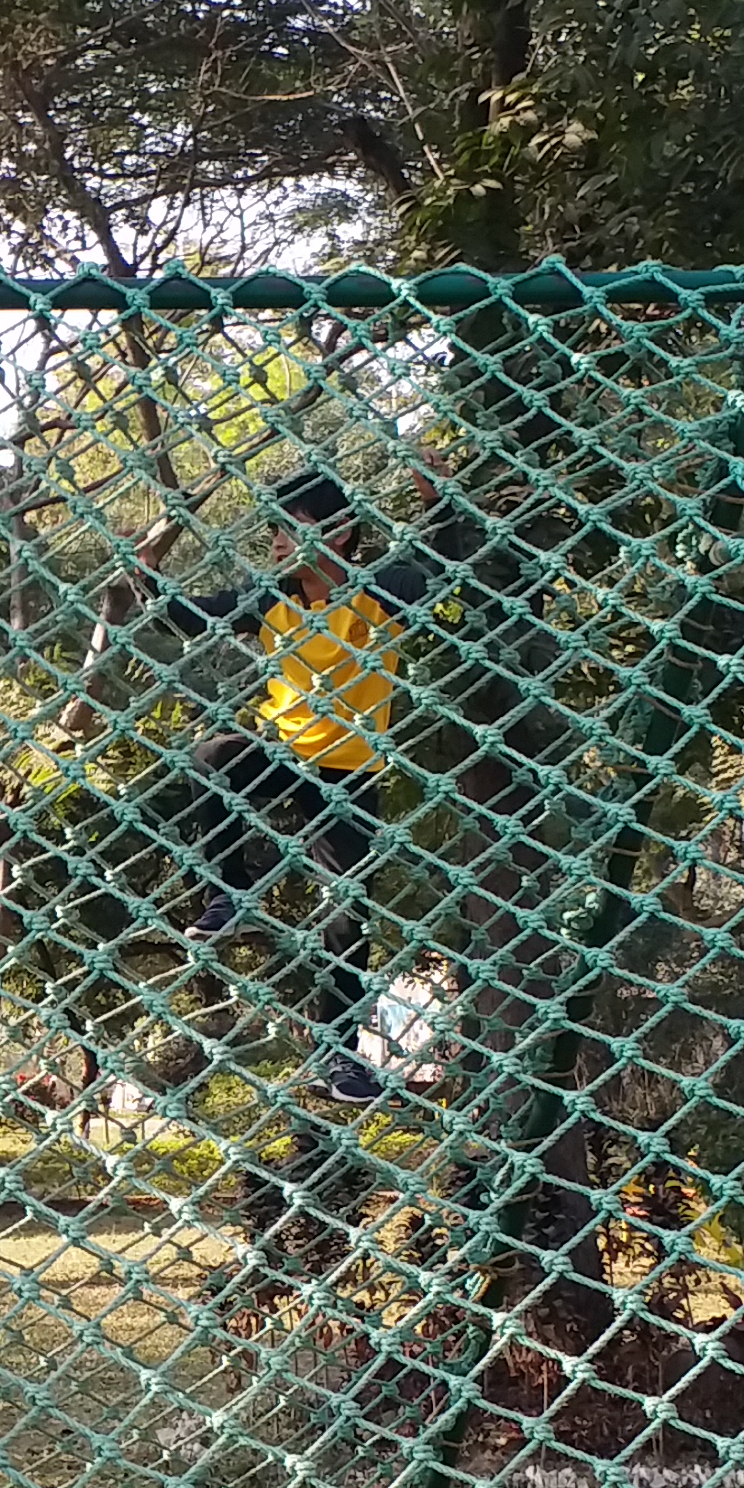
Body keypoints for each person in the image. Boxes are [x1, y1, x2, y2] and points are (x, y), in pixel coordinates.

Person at [147, 470, 420, 1106]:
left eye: (293, 531)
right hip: (284, 752)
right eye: (275, 531)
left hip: (349, 773)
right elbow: (192, 616)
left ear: (340, 534)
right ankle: (229, 893)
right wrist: (147, 570)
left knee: (348, 918)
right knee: (214, 755)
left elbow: (447, 563)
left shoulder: (382, 590)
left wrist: (437, 503)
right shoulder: (271, 595)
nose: (276, 544)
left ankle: (339, 1057)